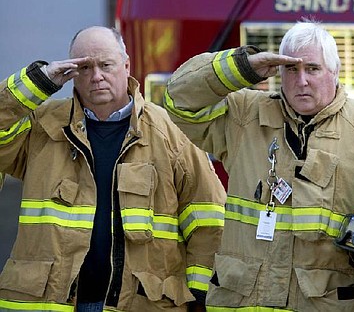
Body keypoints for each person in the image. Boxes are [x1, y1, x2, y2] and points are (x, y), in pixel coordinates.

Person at [163, 19, 354, 310]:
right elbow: (179, 99)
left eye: (312, 69)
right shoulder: (244, 116)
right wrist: (243, 66)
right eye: (291, 69)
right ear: (279, 72)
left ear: (335, 72)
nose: (301, 80)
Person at [0, 26, 226, 311]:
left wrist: (199, 296)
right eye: (84, 67)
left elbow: (209, 221)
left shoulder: (171, 132)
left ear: (127, 65)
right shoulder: (41, 127)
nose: (96, 77)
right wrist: (38, 82)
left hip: (143, 303)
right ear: (69, 73)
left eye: (106, 65)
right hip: (49, 302)